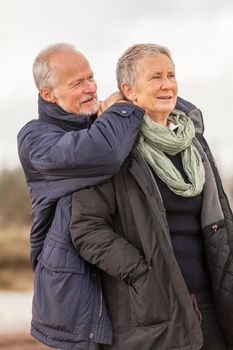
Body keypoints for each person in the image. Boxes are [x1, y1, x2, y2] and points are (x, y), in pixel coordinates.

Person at [70, 43, 233, 350]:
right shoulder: (112, 150)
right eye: (155, 76)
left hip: (212, 303)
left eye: (171, 74)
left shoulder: (193, 142)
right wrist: (143, 274)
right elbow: (86, 230)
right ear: (128, 90)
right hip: (155, 312)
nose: (167, 84)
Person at [17, 42, 146, 350]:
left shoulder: (103, 123)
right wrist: (123, 106)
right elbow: (104, 153)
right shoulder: (35, 140)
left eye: (91, 77)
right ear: (48, 94)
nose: (91, 88)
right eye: (77, 83)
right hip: (73, 291)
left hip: (118, 280)